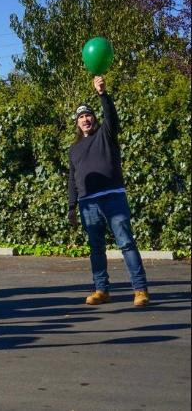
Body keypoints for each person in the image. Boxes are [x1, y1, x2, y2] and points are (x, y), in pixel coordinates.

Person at [68, 76, 149, 307]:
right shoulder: (73, 150)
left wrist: (102, 94)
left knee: (126, 243)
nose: (85, 119)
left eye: (88, 115)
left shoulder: (106, 134)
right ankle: (101, 289)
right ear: (77, 122)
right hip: (88, 204)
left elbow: (111, 115)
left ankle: (140, 289)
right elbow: (72, 180)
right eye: (81, 116)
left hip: (113, 196)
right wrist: (72, 207)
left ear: (94, 119)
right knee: (96, 249)